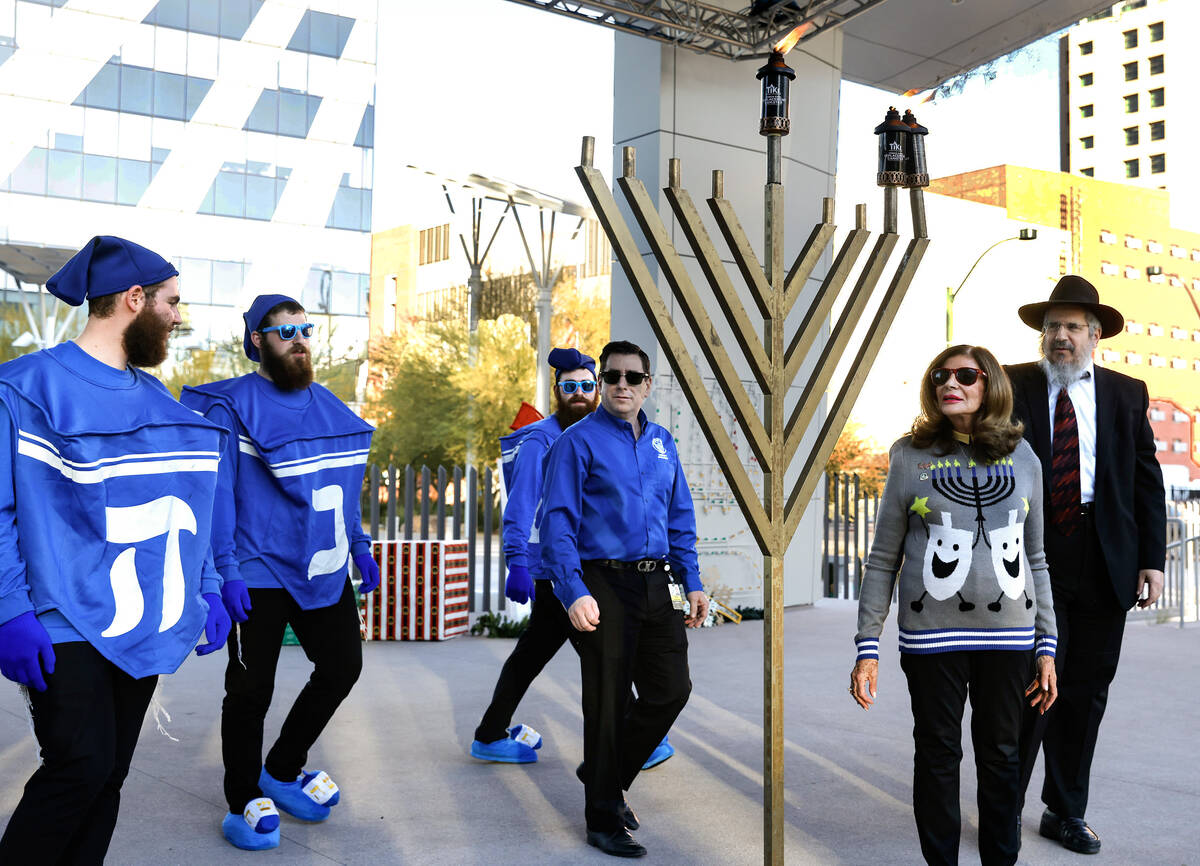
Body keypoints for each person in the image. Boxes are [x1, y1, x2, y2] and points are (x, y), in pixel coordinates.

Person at [0, 236, 231, 863]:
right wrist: (9, 610)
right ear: (134, 299)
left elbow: (195, 509)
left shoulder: (162, 404)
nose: (178, 317)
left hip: (139, 622)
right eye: (172, 303)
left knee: (107, 780)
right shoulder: (22, 389)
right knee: (79, 767)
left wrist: (208, 587)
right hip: (57, 620)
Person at [180, 294, 379, 851]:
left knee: (342, 666)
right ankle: (242, 798)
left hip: (321, 565)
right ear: (257, 343)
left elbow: (343, 489)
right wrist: (224, 573)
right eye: (283, 330)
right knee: (250, 690)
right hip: (256, 570)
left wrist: (359, 546)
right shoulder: (231, 406)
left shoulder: (330, 406)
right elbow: (217, 493)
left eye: (304, 329)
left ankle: (283, 768)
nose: (298, 339)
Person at [850, 344, 1058, 866]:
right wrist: (867, 645)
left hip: (1009, 637)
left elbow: (1035, 556)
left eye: (967, 375)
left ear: (991, 386)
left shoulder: (1024, 457)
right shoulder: (909, 455)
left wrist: (1047, 644)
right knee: (938, 754)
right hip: (930, 637)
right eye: (942, 375)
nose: (952, 383)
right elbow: (883, 560)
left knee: (1002, 757)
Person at [1009, 276, 1165, 855]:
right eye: (1052, 326)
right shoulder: (1012, 384)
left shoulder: (1127, 393)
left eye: (1073, 326)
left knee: (1085, 693)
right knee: (1029, 688)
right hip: (1030, 559)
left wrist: (1151, 559)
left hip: (1104, 559)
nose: (1060, 336)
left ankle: (1064, 811)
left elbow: (1145, 481)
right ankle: (1005, 808)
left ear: (1095, 335)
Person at [540, 339, 708, 858]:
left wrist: (693, 580)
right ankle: (601, 816)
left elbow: (679, 517)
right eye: (611, 377)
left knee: (670, 691)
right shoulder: (576, 442)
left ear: (647, 385)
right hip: (603, 584)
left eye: (633, 378)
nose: (621, 386)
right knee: (608, 705)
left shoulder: (662, 443)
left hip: (657, 583)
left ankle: (602, 775)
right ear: (601, 382)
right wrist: (573, 590)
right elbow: (558, 524)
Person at [469, 348, 675, 769]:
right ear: (557, 390)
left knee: (540, 652)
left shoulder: (603, 436)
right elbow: (524, 507)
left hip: (582, 569)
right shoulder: (541, 440)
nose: (579, 394)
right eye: (569, 386)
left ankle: (490, 733)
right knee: (602, 652)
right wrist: (518, 562)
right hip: (556, 571)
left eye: (585, 385)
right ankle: (639, 737)